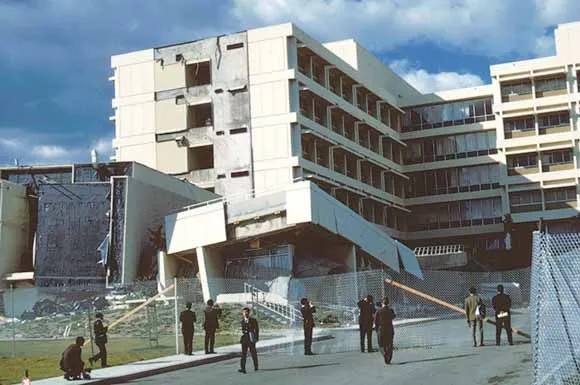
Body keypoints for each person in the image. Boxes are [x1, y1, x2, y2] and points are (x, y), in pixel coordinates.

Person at [375, 297, 396, 364]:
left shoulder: (378, 311)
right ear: (388, 303)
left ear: (382, 303)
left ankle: (384, 354)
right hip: (389, 329)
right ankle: (389, 358)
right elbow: (393, 316)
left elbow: (376, 321)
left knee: (381, 345)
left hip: (381, 329)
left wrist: (377, 329)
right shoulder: (390, 310)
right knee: (389, 344)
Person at [238, 307, 259, 374]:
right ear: (242, 313)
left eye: (246, 312)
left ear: (249, 313)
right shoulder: (242, 321)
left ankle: (256, 366)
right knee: (243, 354)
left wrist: (256, 338)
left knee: (253, 353)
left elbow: (257, 330)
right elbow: (241, 330)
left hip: (251, 339)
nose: (245, 313)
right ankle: (243, 368)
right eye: (244, 312)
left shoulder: (253, 320)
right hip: (244, 339)